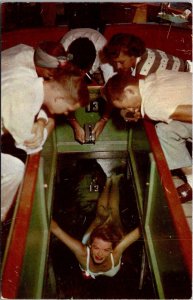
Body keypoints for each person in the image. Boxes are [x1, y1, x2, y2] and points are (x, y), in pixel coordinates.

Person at [1, 61, 90, 222]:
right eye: (68, 109)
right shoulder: (22, 106)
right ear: (59, 98)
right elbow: (33, 145)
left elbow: (37, 102)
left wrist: (42, 121)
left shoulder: (29, 72)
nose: (65, 113)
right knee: (15, 169)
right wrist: (50, 123)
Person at [103, 70, 192, 199]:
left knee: (163, 131)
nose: (128, 109)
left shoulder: (152, 106)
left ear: (129, 91)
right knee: (165, 128)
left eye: (125, 106)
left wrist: (147, 112)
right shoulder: (154, 76)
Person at [51, 174, 140, 279]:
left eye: (106, 250)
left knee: (113, 211)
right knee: (101, 215)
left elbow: (141, 231)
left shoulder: (116, 252)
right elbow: (56, 229)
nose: (100, 254)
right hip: (94, 242)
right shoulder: (81, 252)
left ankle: (114, 181)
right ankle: (108, 182)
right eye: (96, 247)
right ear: (90, 244)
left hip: (112, 240)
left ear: (112, 249)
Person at [102, 32, 190, 122]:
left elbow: (147, 105)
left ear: (133, 55)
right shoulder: (145, 52)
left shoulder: (144, 72)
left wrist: (131, 112)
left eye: (121, 62)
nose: (118, 67)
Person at [60, 28, 115, 144]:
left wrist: (104, 120)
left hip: (97, 40)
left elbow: (113, 90)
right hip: (70, 36)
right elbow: (63, 93)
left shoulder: (105, 52)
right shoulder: (62, 54)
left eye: (85, 71)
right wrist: (74, 123)